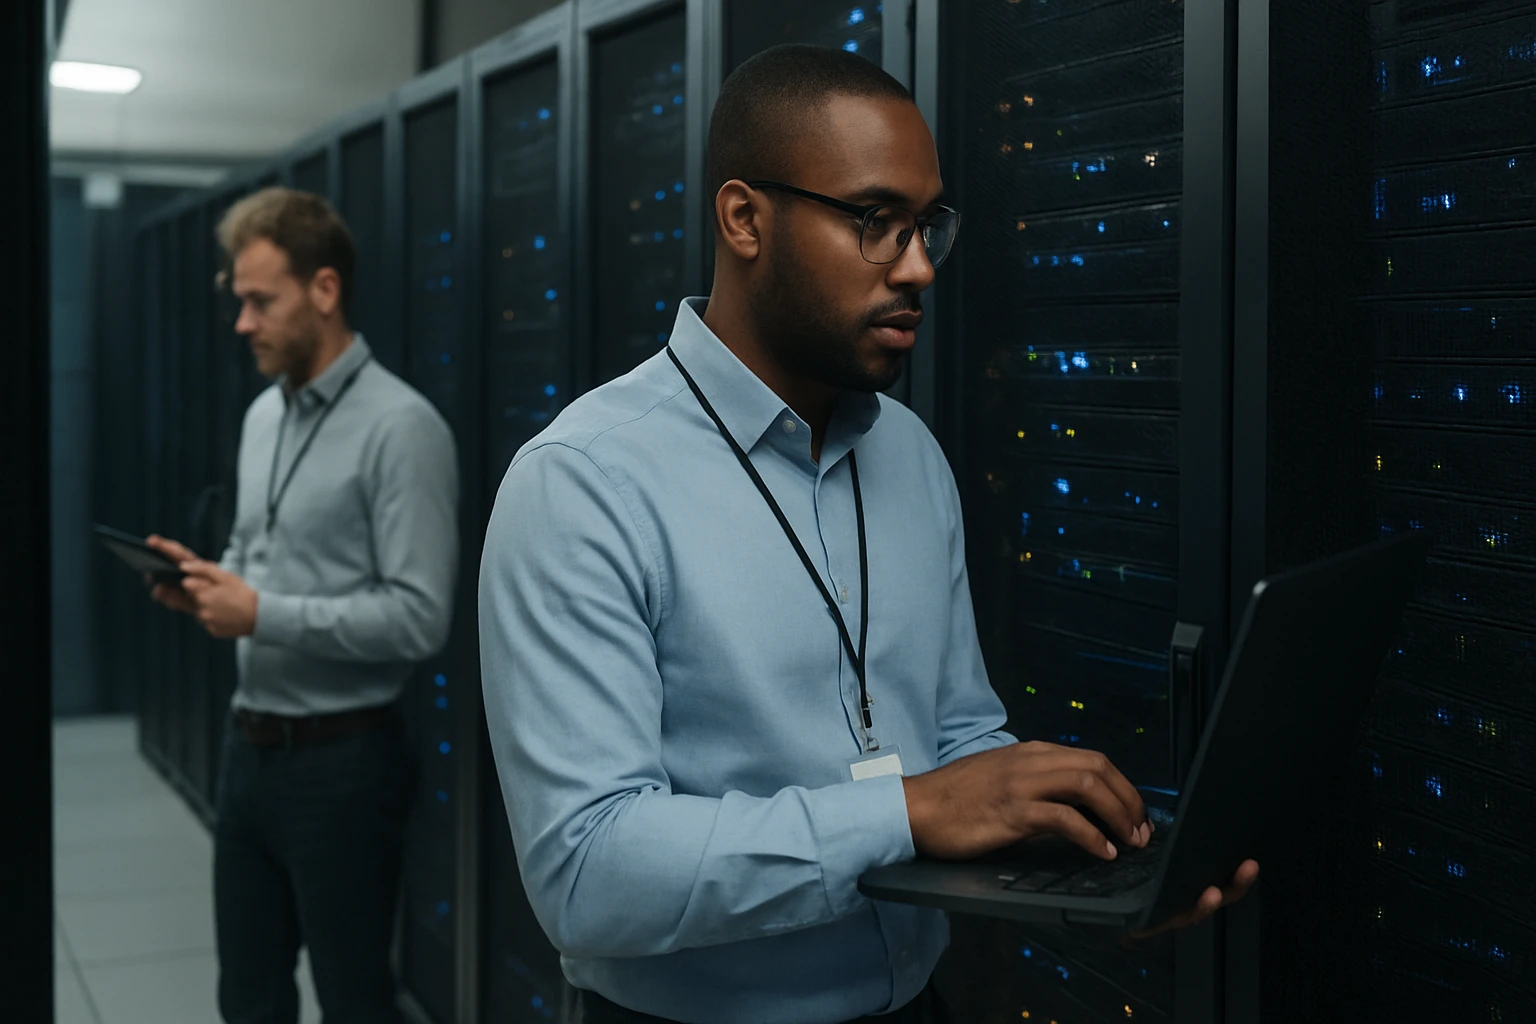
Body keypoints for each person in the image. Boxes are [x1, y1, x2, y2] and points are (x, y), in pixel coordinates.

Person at [478, 45, 1258, 1024]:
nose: (920, 266)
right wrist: (906, 813)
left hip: (913, 1003)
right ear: (744, 217)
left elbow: (961, 736)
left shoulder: (911, 457)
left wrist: (1088, 864)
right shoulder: (583, 482)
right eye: (874, 222)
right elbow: (585, 872)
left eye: (927, 225)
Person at [145, 187, 460, 1024]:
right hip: (247, 749)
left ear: (325, 290)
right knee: (246, 996)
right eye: (238, 302)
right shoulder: (262, 416)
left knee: (354, 999)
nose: (242, 324)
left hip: (345, 765)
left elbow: (419, 616)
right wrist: (212, 584)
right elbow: (260, 550)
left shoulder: (403, 428)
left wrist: (261, 614)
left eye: (260, 301)